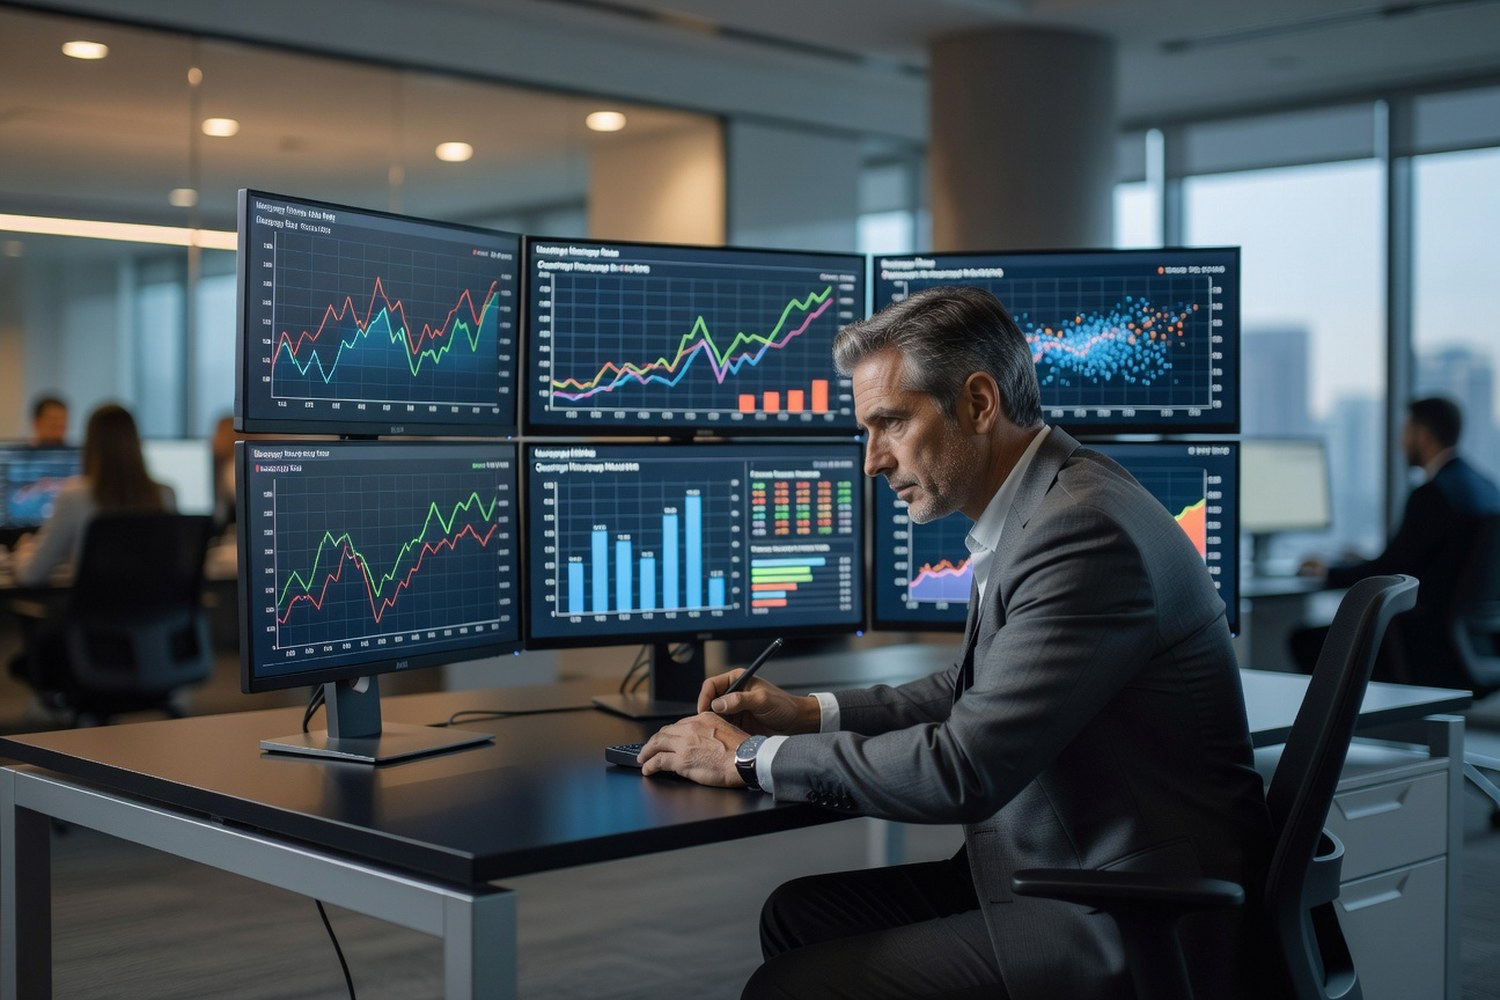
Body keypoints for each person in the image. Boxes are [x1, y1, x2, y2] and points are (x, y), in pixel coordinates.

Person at [638, 286, 1272, 1000]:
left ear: (977, 403)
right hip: (1071, 866)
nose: (873, 460)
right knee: (798, 915)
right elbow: (970, 691)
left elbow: (964, 768)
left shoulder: (1081, 532)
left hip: (1128, 917)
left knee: (794, 985)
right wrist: (808, 713)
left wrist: (750, 758)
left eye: (891, 424)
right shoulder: (1047, 504)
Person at [1292, 396, 1500, 683]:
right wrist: (1365, 561)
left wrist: (1327, 570)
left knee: (1302, 641)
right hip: (1476, 639)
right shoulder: (1486, 489)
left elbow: (1390, 573)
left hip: (1423, 641)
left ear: (1423, 435)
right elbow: (1419, 563)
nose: (1400, 442)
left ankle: (1333, 728)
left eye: (1405, 431)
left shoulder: (1433, 494)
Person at [12, 403, 176, 587]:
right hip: (158, 613)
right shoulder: (165, 494)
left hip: (95, 614)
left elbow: (31, 576)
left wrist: (23, 554)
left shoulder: (74, 496)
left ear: (91, 444)